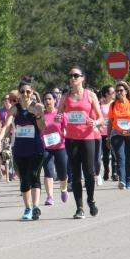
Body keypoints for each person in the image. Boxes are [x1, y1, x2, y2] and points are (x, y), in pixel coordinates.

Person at [56, 67, 103, 219]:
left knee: (89, 172)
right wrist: (58, 118)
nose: (73, 78)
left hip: (88, 138)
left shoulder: (90, 95)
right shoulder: (65, 96)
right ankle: (79, 208)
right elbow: (59, 114)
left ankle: (91, 200)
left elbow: (101, 118)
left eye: (76, 75)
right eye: (70, 75)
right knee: (75, 174)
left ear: (83, 78)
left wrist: (95, 122)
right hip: (72, 139)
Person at [0, 82, 46, 220]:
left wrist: (37, 115)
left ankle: (35, 206)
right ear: (19, 93)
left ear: (32, 93)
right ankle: (27, 208)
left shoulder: (38, 106)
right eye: (23, 92)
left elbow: (43, 128)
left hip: (36, 148)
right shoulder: (15, 109)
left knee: (33, 175)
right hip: (19, 149)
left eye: (28, 92)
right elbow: (6, 126)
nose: (25, 94)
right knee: (24, 180)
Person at [105, 81, 130, 190]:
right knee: (120, 157)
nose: (118, 92)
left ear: (126, 92)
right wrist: (108, 137)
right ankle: (122, 180)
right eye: (116, 91)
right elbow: (110, 122)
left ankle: (128, 181)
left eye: (121, 90)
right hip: (117, 134)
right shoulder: (113, 105)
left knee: (129, 158)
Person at [40, 91, 68, 205]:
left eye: (50, 99)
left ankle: (63, 189)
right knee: (48, 171)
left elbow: (67, 128)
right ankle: (50, 197)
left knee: (62, 173)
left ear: (55, 100)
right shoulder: (41, 115)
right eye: (45, 99)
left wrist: (65, 135)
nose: (47, 101)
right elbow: (38, 130)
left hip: (60, 146)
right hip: (46, 147)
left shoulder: (60, 114)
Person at [95, 85, 116, 186]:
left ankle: (115, 172)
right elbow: (97, 118)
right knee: (106, 155)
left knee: (115, 153)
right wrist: (98, 127)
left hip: (114, 132)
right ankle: (106, 170)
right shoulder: (100, 105)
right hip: (103, 133)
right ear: (107, 94)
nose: (114, 94)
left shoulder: (115, 104)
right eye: (112, 92)